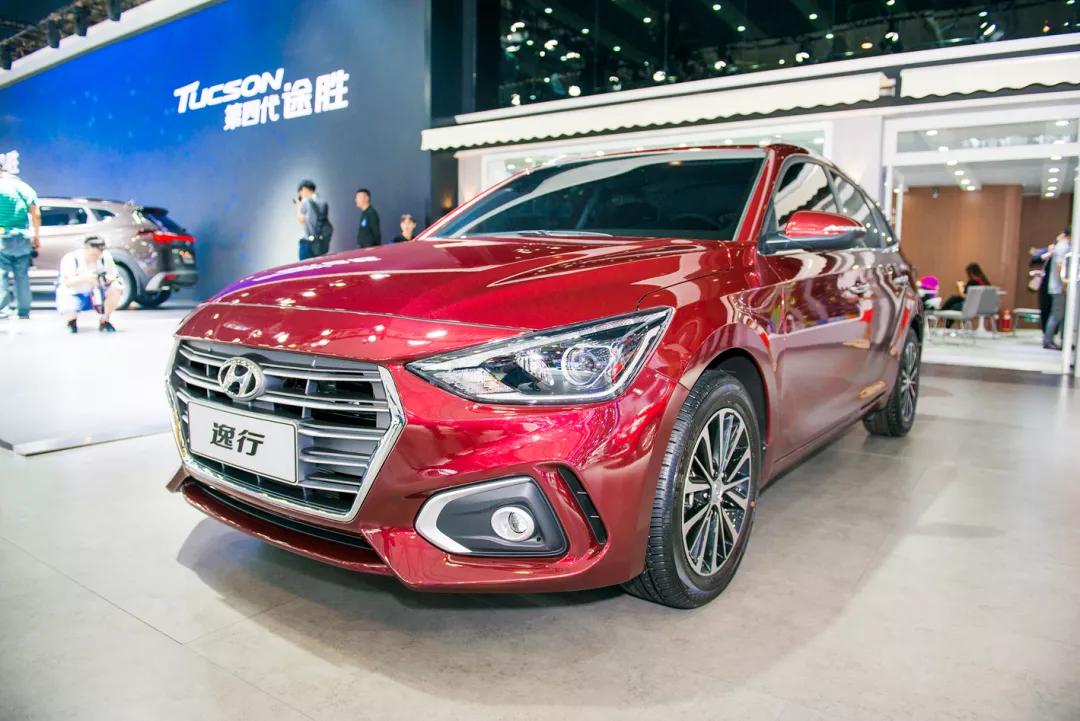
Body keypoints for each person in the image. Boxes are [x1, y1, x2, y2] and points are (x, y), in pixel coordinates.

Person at [0, 164, 41, 320]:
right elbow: (36, 214)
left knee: (1, 275)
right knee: (22, 276)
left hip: (2, 236)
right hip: (23, 237)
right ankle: (23, 311)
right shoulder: (25, 187)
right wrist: (36, 235)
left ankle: (2, 311)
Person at [56, 236, 122, 333]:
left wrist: (105, 279)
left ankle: (105, 320)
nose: (96, 258)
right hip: (74, 292)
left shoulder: (105, 257)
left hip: (96, 293)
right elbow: (67, 282)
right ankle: (71, 321)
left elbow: (114, 277)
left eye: (98, 255)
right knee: (68, 302)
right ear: (85, 250)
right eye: (93, 255)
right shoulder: (71, 258)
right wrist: (87, 278)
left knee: (116, 288)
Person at [1043, 230, 1071, 350]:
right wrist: (1064, 282)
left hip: (1058, 286)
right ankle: (1048, 340)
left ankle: (1061, 340)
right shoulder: (1063, 246)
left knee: (1061, 315)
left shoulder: (1063, 245)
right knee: (1056, 315)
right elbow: (1059, 265)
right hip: (1058, 287)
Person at [294, 179, 332, 260]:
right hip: (320, 243)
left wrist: (298, 206)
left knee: (306, 266)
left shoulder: (305, 201)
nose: (300, 195)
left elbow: (301, 220)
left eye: (300, 192)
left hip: (307, 243)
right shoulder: (323, 202)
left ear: (304, 189)